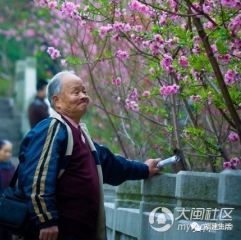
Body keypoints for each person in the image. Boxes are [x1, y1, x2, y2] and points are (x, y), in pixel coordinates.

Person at [18, 71, 162, 240]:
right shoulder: (52, 128)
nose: (83, 96)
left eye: (84, 92)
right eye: (76, 92)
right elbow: (37, 177)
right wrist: (46, 219)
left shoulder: (81, 135)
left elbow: (112, 165)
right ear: (57, 101)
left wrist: (145, 169)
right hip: (57, 232)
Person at [0, 140, 17, 240]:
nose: (8, 154)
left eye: (10, 151)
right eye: (5, 151)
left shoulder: (12, 168)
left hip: (7, 210)